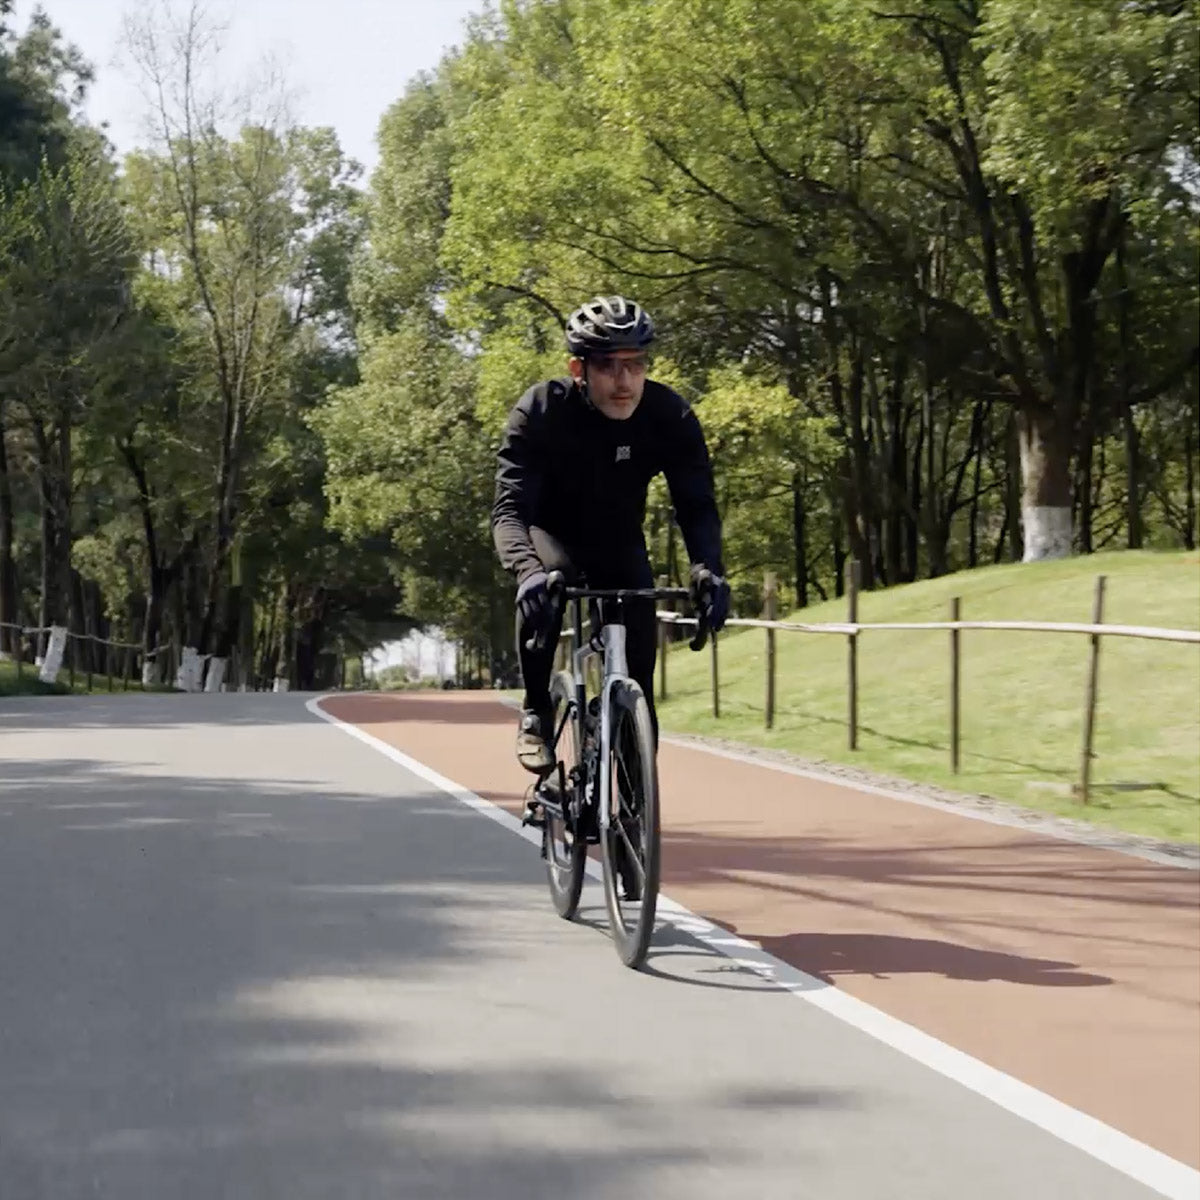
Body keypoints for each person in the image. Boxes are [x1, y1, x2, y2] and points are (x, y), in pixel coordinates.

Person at [491, 294, 730, 774]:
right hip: (549, 534)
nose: (624, 382)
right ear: (577, 369)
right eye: (607, 366)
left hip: (618, 539)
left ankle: (631, 782)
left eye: (635, 365)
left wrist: (708, 570)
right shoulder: (541, 410)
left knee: (640, 670)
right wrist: (525, 571)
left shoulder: (669, 416)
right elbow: (510, 509)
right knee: (546, 586)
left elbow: (697, 505)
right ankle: (537, 710)